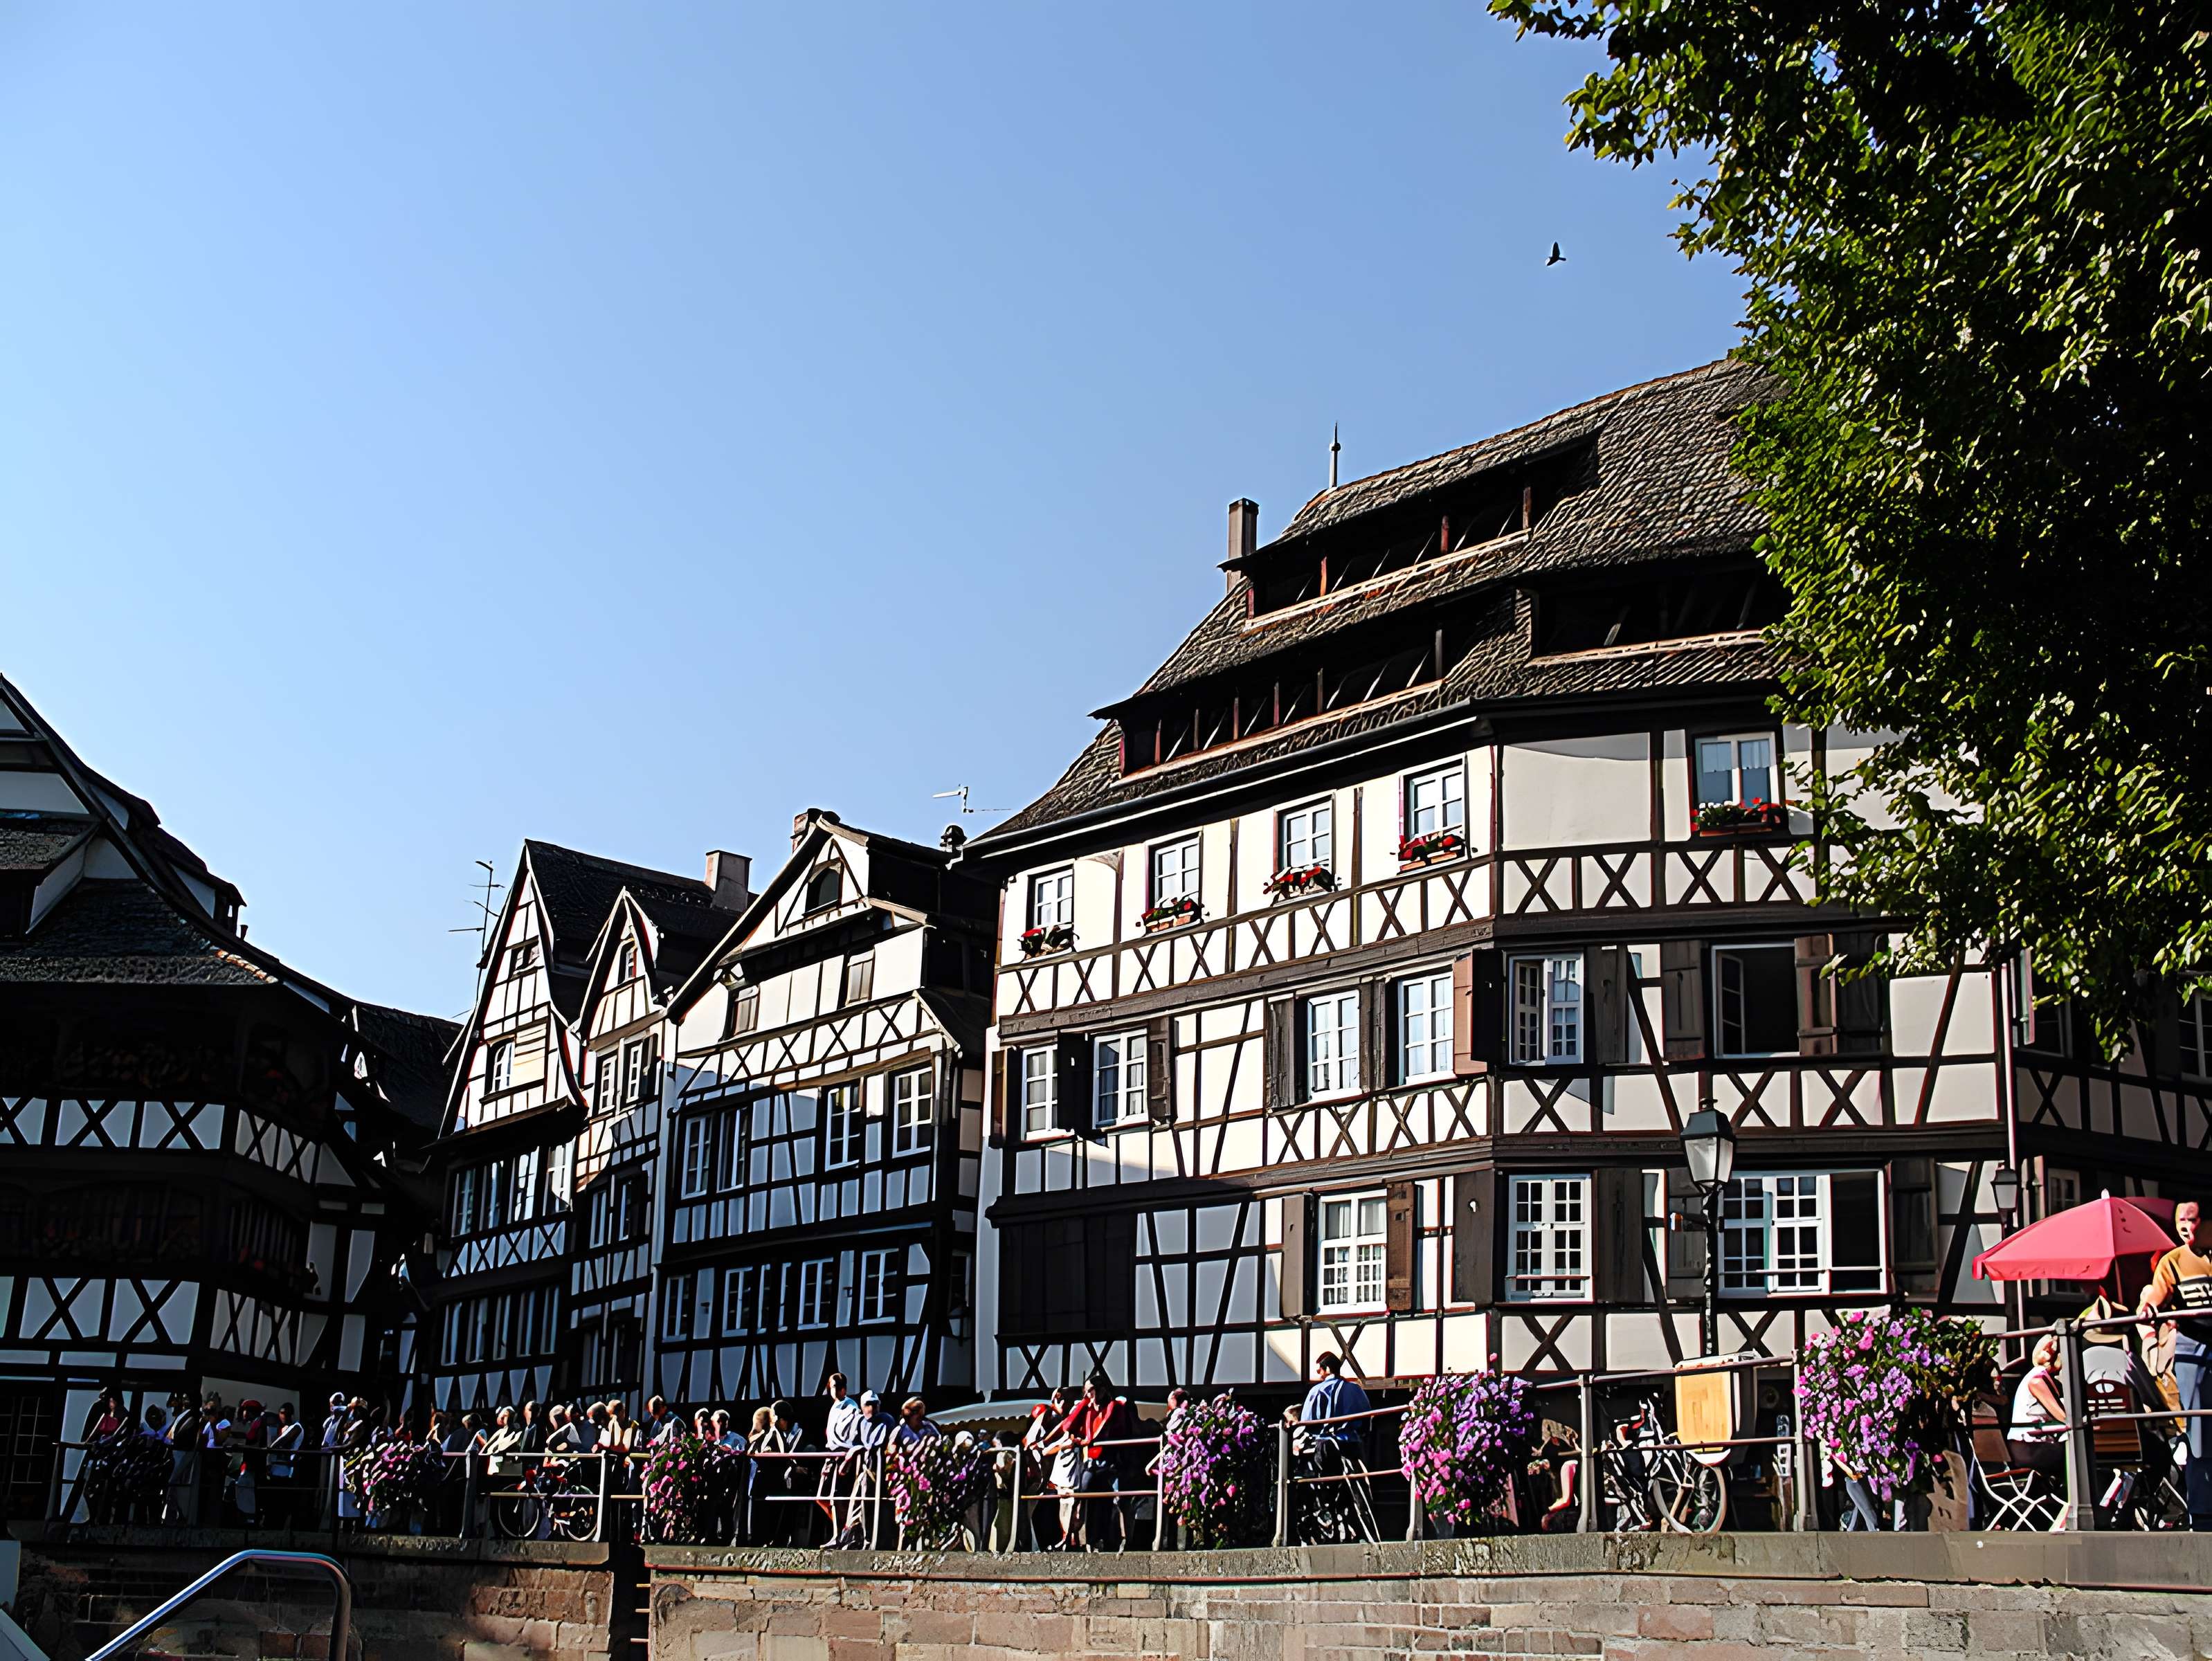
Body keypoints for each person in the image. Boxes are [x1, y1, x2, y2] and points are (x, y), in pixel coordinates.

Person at [2140, 1197, 2212, 1528]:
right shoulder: (2173, 1261)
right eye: (2180, 1221)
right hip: (2193, 1345)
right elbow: (2157, 1294)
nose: (2185, 1227)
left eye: (2191, 1220)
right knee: (2199, 1431)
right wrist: (2151, 1309)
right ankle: (2203, 1514)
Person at [1047, 1374, 1139, 1552]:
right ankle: (1089, 1540)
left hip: (1113, 1461)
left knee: (1119, 1499)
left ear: (1102, 1389)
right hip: (1092, 1462)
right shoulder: (1087, 1408)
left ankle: (1126, 1539)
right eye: (1086, 1391)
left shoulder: (1115, 1407)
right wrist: (1083, 1403)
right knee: (1084, 1496)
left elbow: (1106, 1431)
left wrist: (1086, 1440)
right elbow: (1068, 1426)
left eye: (1091, 1390)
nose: (1089, 1394)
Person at [2008, 1334, 2070, 1487]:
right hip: (2030, 1448)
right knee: (2078, 1456)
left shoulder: (2039, 1375)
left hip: (2030, 1445)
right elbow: (2063, 1417)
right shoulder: (2038, 1379)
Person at [832, 1392, 893, 1547]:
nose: (871, 1408)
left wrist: (857, 1450)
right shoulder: (860, 1422)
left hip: (882, 1470)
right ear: (862, 1406)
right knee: (864, 1505)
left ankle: (881, 1542)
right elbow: (856, 1442)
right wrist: (851, 1456)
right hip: (866, 1470)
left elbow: (876, 1443)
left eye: (874, 1404)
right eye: (867, 1404)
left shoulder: (886, 1419)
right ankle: (864, 1539)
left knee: (882, 1505)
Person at [265, 1403, 305, 1531]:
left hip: (287, 1473)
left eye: (286, 1413)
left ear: (291, 1414)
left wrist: (270, 1449)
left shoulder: (296, 1427)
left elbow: (281, 1443)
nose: (283, 1416)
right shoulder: (278, 1428)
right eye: (281, 1413)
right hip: (275, 1471)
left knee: (282, 1505)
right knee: (273, 1504)